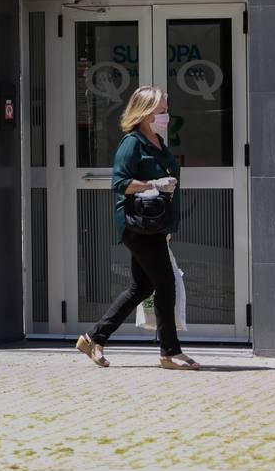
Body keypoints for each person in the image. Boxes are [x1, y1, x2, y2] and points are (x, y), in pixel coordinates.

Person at [76, 85, 201, 371]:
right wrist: (153, 185)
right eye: (162, 111)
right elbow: (120, 183)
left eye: (166, 111)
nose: (166, 116)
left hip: (155, 224)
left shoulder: (156, 140)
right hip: (138, 226)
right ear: (145, 114)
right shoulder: (132, 143)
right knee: (165, 283)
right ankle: (170, 352)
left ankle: (94, 338)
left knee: (141, 286)